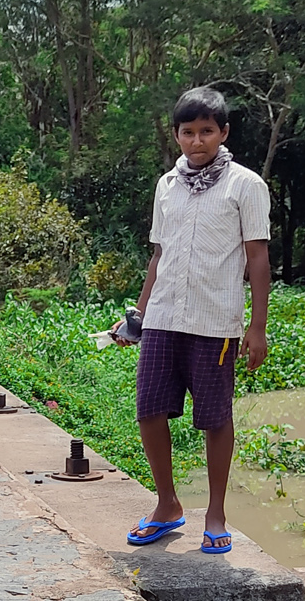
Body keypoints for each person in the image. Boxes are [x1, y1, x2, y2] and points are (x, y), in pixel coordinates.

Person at [113, 87, 271, 554]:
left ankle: (216, 513)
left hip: (215, 321)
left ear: (223, 133)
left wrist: (257, 327)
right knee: (149, 409)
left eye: (206, 131)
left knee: (215, 418)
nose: (197, 141)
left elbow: (257, 259)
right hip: (163, 317)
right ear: (177, 136)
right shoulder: (167, 185)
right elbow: (159, 256)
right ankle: (167, 505)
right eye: (188, 132)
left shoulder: (246, 185)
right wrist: (137, 316)